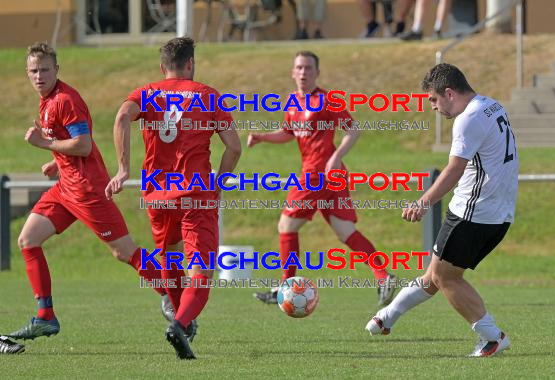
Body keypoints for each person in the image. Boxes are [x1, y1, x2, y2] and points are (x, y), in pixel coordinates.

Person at [8, 42, 168, 342]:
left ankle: (176, 295)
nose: (39, 75)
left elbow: (83, 144)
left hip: (88, 191)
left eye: (45, 69)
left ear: (57, 69)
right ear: (27, 74)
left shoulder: (66, 100)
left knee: (124, 252)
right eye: (33, 71)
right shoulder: (47, 100)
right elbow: (71, 145)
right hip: (65, 188)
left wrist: (45, 145)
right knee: (28, 240)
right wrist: (57, 161)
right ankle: (45, 317)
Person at [366, 63, 518, 357]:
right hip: (498, 213)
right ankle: (387, 317)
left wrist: (424, 202)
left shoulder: (467, 119)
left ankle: (492, 337)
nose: (433, 107)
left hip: (472, 213)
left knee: (445, 277)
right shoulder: (491, 106)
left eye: (434, 100)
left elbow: (453, 169)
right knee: (435, 274)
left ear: (449, 93)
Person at [105, 37, 241, 360]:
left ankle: (182, 321)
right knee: (202, 274)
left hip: (157, 195)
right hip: (196, 194)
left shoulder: (147, 93)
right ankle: (180, 324)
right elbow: (234, 147)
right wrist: (219, 180)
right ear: (190, 63)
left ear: (162, 67)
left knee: (169, 260)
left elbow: (122, 117)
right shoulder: (208, 95)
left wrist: (123, 169)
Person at [249, 51, 397, 307]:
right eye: (299, 67)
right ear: (292, 72)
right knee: (345, 232)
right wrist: (262, 137)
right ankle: (383, 276)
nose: (304, 72)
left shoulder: (327, 100)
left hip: (319, 174)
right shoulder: (292, 102)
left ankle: (285, 287)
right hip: (326, 175)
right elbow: (288, 133)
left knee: (286, 227)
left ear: (317, 73)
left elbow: (353, 130)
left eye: (308, 68)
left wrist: (336, 156)